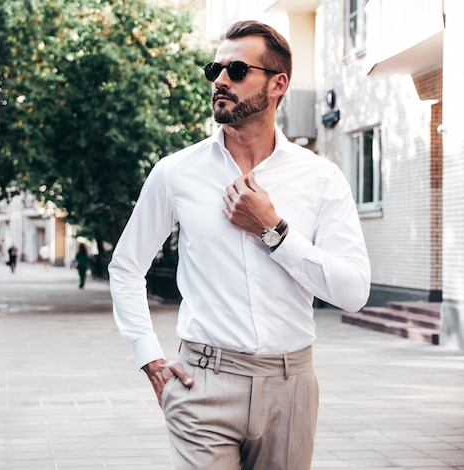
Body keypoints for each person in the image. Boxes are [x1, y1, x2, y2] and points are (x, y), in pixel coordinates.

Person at [108, 20, 371, 470]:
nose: (220, 81)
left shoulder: (319, 177)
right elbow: (126, 266)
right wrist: (149, 357)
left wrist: (274, 231)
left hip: (291, 388)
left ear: (277, 84)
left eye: (236, 70)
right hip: (202, 386)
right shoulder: (176, 172)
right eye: (215, 69)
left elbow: (353, 292)